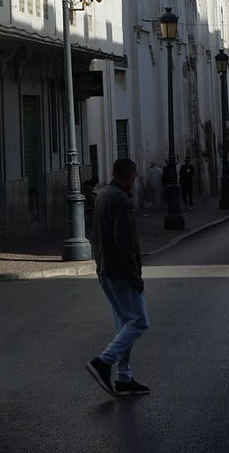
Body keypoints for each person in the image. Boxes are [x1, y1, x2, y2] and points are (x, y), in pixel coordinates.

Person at [87, 158, 150, 397]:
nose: (133, 183)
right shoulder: (121, 200)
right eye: (133, 178)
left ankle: (125, 377)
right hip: (120, 272)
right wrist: (135, 277)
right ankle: (103, 362)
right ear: (127, 177)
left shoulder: (102, 196)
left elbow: (96, 237)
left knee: (125, 324)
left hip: (105, 270)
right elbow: (124, 243)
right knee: (140, 321)